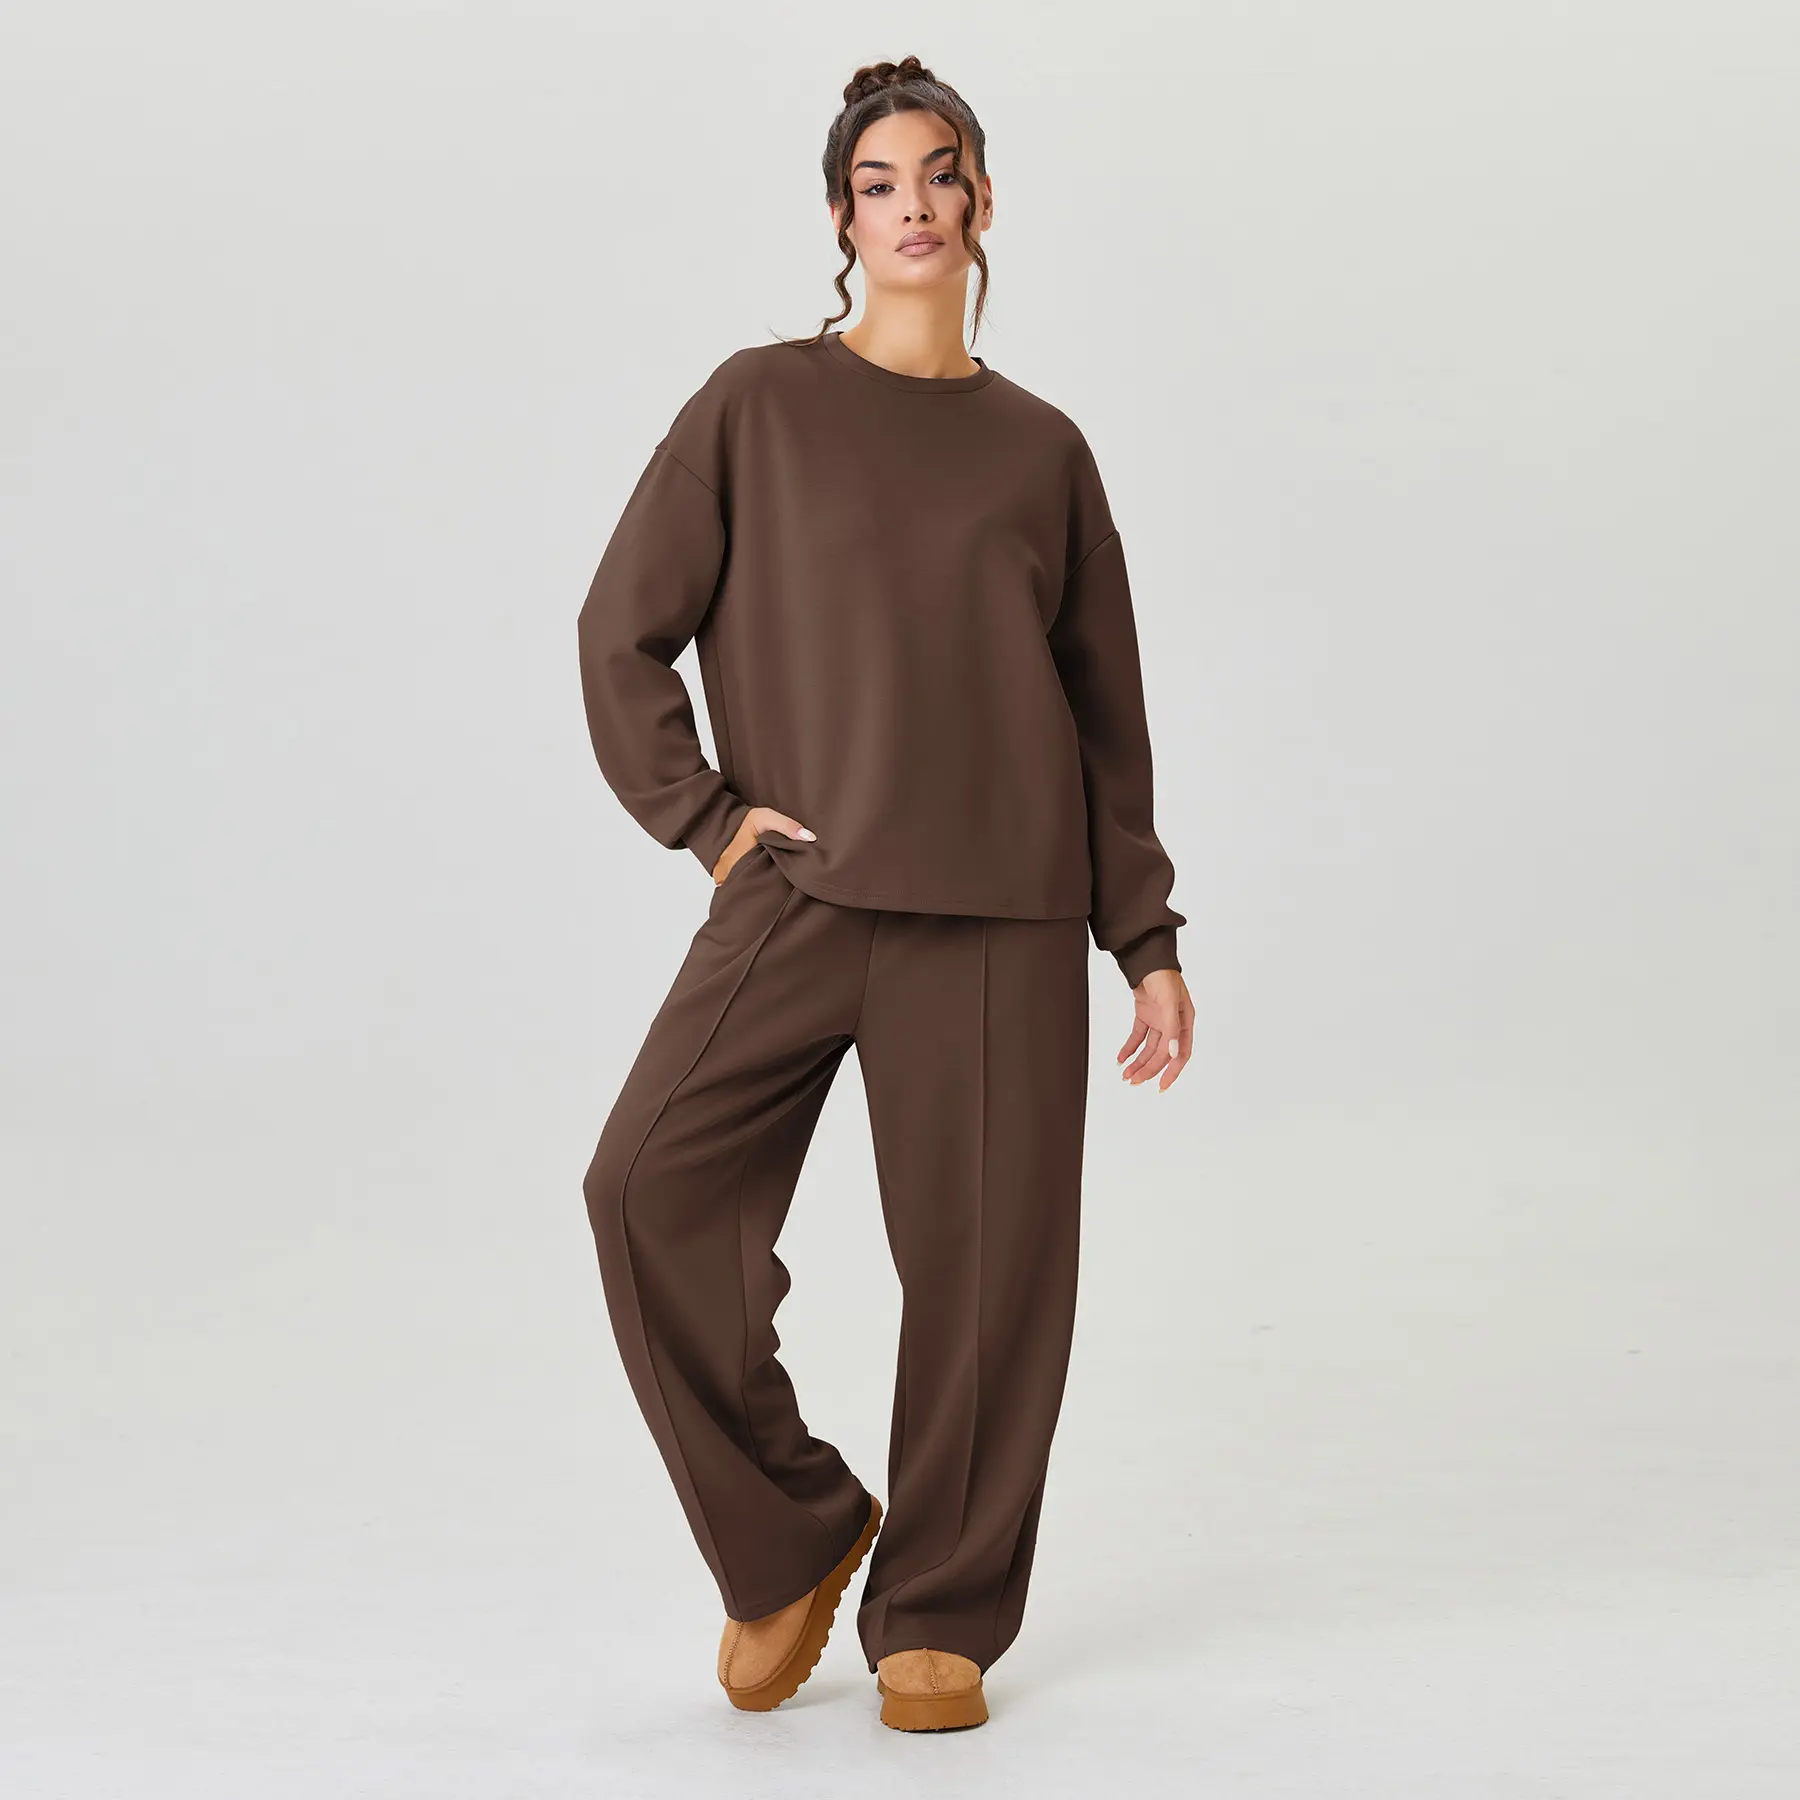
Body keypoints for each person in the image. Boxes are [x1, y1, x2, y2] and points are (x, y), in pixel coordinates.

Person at [575, 54, 1193, 1733]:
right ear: (841, 217)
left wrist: (1143, 936)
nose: (911, 204)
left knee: (989, 1278)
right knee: (642, 1190)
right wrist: (705, 820)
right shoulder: (756, 405)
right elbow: (621, 630)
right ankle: (790, 1533)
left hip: (1001, 907)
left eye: (939, 173)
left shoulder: (1043, 451)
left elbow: (1105, 714)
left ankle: (942, 1606)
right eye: (877, 182)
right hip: (798, 889)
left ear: (983, 201)